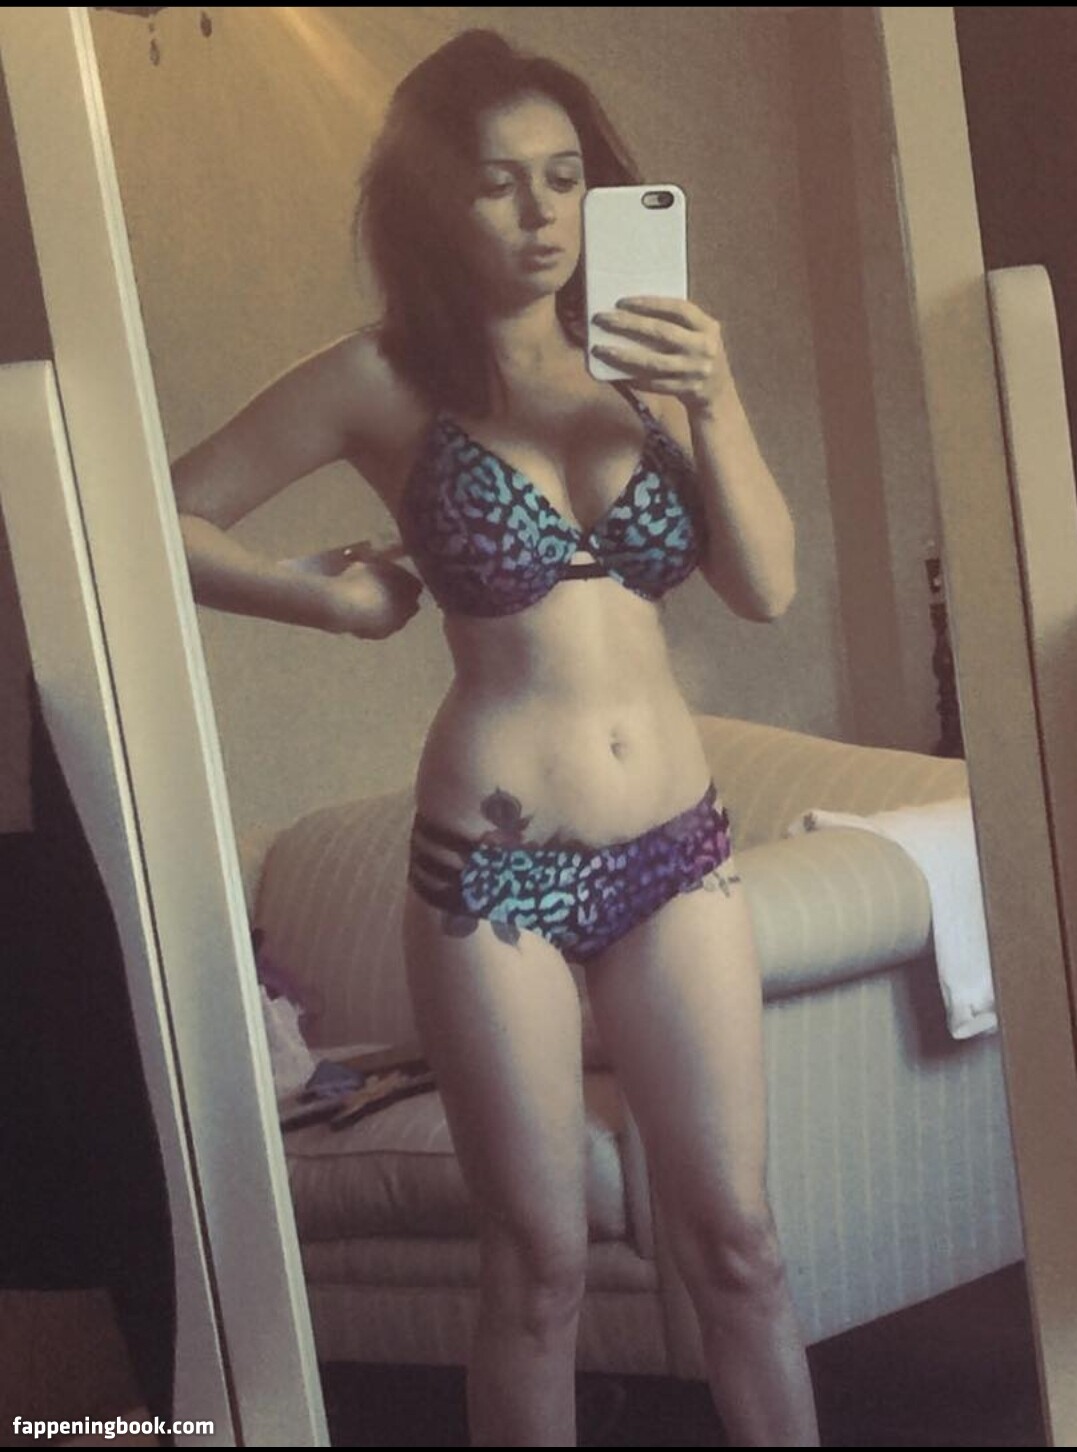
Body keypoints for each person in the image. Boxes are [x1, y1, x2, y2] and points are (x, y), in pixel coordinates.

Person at [170, 28, 820, 1448]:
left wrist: (714, 399)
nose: (541, 215)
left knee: (741, 1247)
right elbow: (154, 511)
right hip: (495, 875)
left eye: (565, 177)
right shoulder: (377, 380)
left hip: (678, 855)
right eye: (496, 182)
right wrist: (322, 599)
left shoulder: (649, 363)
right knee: (537, 1271)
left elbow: (767, 587)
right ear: (431, 204)